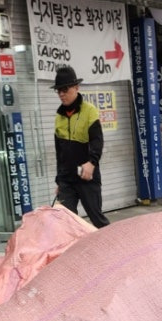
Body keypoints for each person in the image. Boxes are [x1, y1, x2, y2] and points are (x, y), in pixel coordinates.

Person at [52, 65, 109, 228]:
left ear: (76, 87)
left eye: (65, 89)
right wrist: (59, 180)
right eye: (58, 90)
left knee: (97, 219)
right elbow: (59, 152)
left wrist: (92, 163)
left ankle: (113, 243)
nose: (61, 94)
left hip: (86, 176)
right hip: (67, 179)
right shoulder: (59, 116)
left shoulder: (89, 111)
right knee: (66, 222)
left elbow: (97, 141)